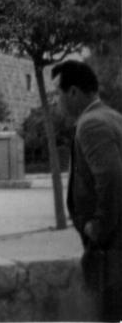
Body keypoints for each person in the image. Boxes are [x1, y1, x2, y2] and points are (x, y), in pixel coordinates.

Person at [52, 60, 122, 322]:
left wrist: (98, 227)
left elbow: (112, 178)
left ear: (73, 92)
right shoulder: (113, 117)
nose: (56, 101)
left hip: (112, 249)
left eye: (58, 93)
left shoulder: (91, 124)